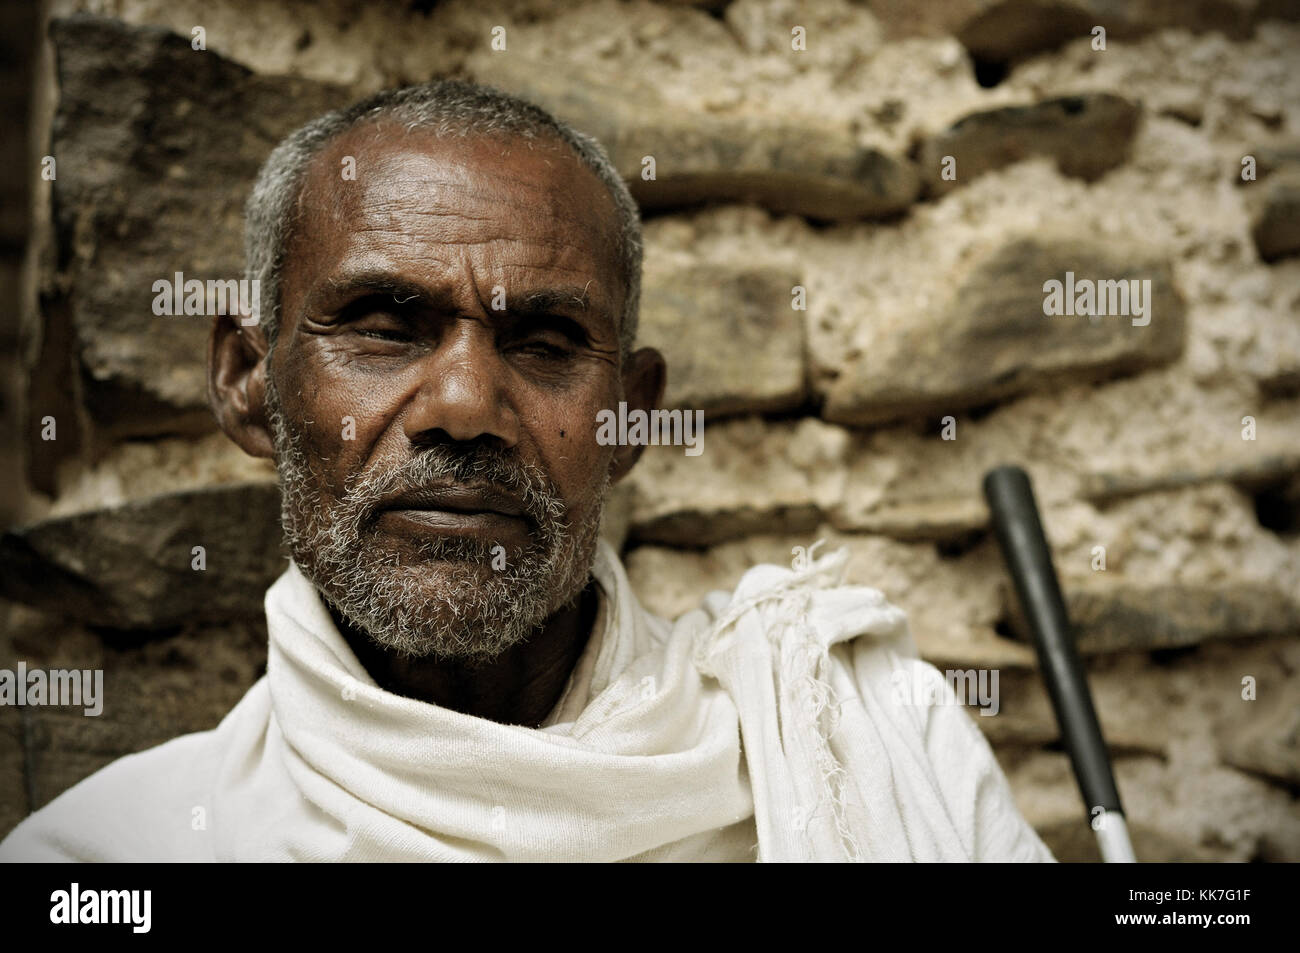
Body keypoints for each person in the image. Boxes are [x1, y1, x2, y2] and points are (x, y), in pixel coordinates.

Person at [0, 80, 1053, 862]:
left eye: (546, 340)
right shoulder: (108, 858)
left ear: (630, 416)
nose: (466, 407)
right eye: (383, 327)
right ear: (247, 383)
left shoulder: (860, 735)